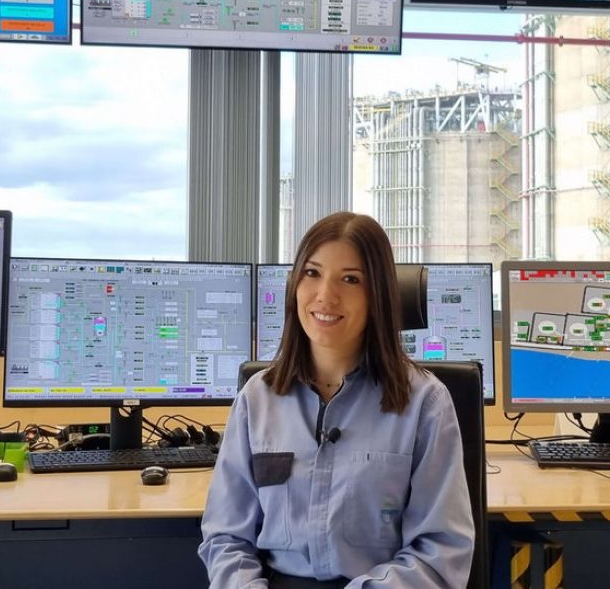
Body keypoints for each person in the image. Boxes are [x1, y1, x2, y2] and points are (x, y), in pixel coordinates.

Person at [199, 212, 474, 588]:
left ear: (377, 295)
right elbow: (226, 538)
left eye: (350, 279)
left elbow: (440, 550)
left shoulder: (425, 403)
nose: (325, 295)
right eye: (312, 273)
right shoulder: (257, 399)